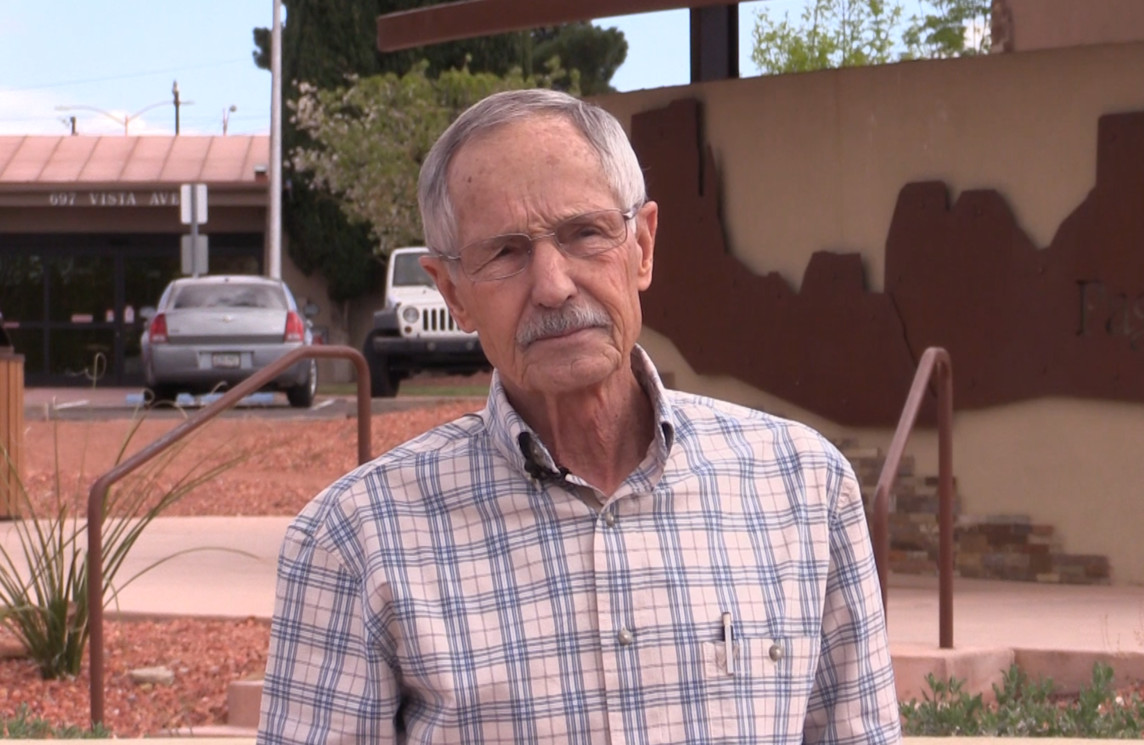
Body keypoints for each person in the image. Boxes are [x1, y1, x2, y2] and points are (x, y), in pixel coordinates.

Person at [257, 88, 902, 744]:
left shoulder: (804, 488)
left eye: (585, 233)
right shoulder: (355, 542)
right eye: (506, 253)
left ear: (642, 247)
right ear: (453, 292)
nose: (553, 285)